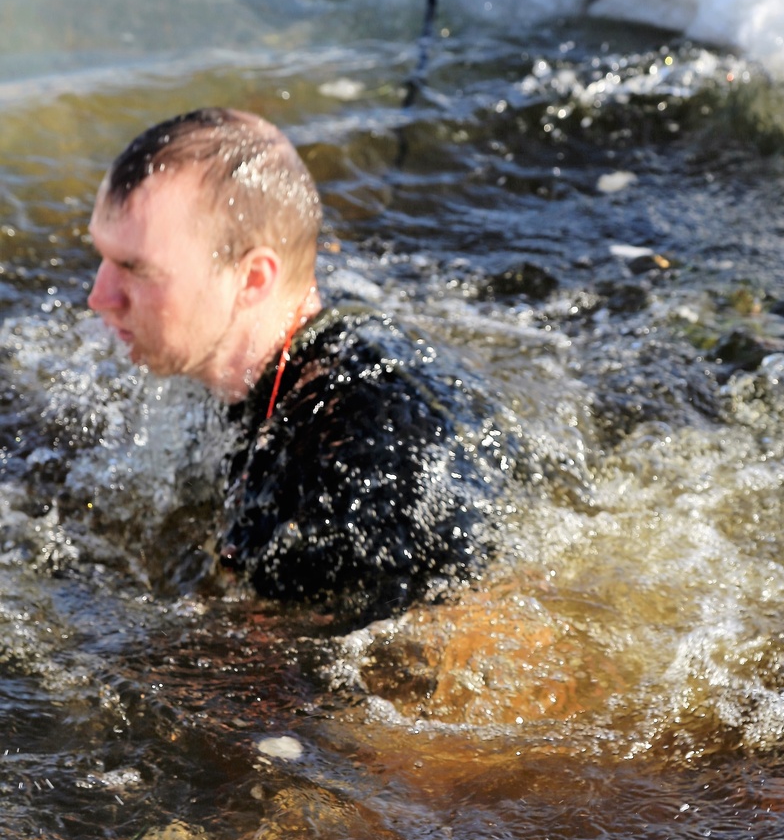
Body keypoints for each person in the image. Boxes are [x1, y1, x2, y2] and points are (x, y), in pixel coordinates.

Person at [87, 106, 502, 623]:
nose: (99, 297)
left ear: (253, 279)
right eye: (101, 256)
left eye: (135, 269)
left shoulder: (351, 476)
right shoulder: (271, 370)